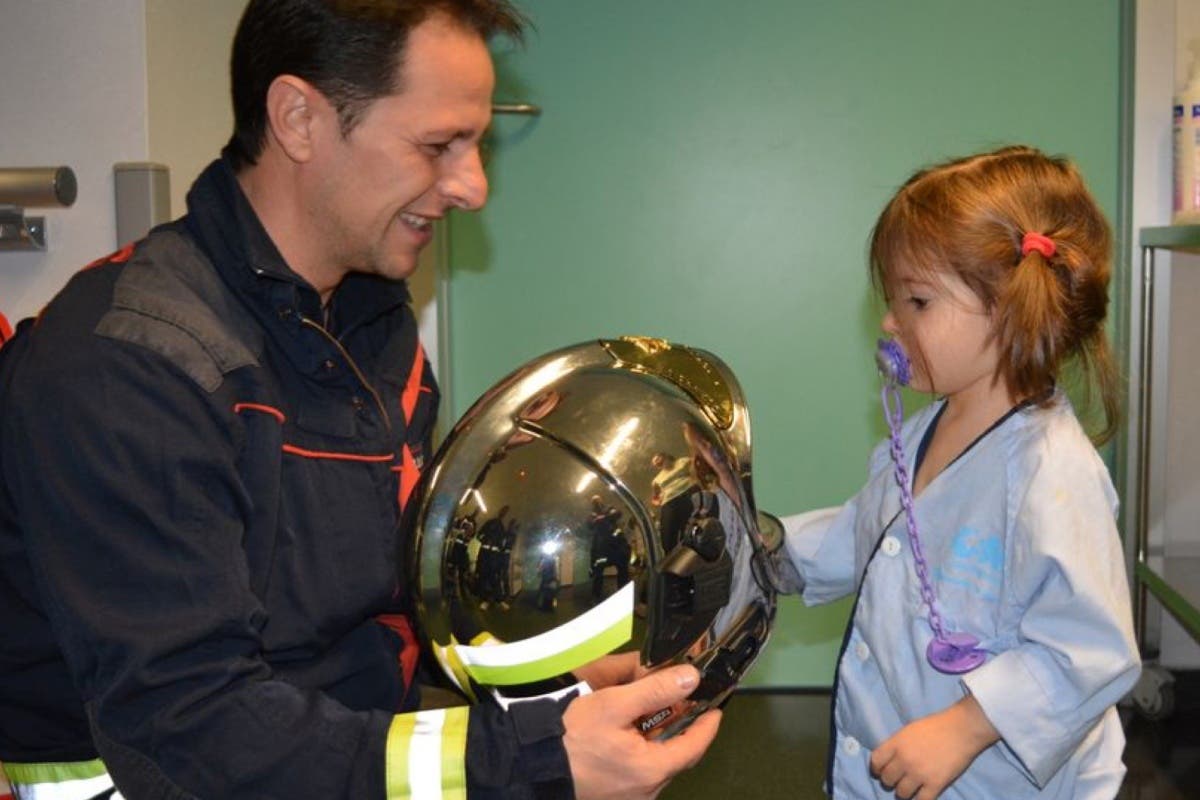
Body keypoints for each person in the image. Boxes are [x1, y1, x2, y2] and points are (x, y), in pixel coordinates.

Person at [0, 2, 719, 798]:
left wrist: (555, 684)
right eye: (437, 145)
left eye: (477, 144)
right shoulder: (128, 366)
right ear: (299, 119)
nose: (473, 187)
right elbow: (189, 732)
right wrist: (530, 759)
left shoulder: (372, 326)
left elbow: (377, 622)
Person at [778, 146, 1140, 799]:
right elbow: (875, 534)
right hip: (896, 761)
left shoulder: (1050, 474)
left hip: (991, 777)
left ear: (1012, 309)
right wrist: (768, 551)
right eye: (891, 300)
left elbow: (1089, 651)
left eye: (917, 301)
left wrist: (968, 727)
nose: (889, 322)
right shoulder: (924, 431)